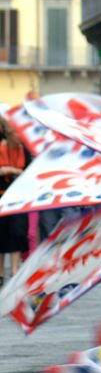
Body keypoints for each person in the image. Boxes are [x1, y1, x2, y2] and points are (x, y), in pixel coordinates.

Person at [0, 114, 27, 285]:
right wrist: (14, 171)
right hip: (2, 194)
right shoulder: (2, 147)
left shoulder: (21, 149)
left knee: (18, 233)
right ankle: (1, 273)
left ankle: (15, 271)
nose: (21, 140)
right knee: (1, 235)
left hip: (18, 196)